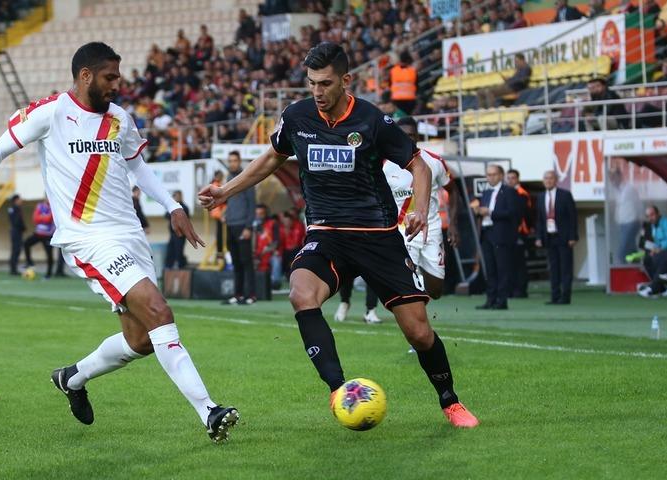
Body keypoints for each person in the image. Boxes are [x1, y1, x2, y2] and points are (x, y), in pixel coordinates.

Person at [0, 42, 238, 442]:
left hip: (130, 235)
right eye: (110, 77)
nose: (117, 85)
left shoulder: (119, 118)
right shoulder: (50, 113)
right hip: (88, 240)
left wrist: (173, 206)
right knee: (159, 311)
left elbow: (138, 166)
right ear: (85, 75)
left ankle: (72, 378)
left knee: (140, 340)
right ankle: (210, 411)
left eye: (117, 77)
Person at [198, 42, 478, 428]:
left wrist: (417, 208)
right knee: (301, 293)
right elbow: (271, 158)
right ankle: (338, 390)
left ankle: (450, 402)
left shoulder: (372, 120)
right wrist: (225, 191)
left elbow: (419, 166)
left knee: (419, 331)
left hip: (378, 236)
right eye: (311, 83)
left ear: (346, 81)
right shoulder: (296, 117)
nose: (317, 91)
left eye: (325, 83)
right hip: (327, 233)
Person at [387, 116, 460, 300]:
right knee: (408, 286)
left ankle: (418, 293)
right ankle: (416, 319)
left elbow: (453, 189)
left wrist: (453, 224)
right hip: (402, 232)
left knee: (435, 290)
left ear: (417, 136)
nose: (408, 140)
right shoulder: (385, 165)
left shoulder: (434, 161)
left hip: (432, 229)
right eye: (403, 136)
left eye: (411, 135)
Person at [473, 164, 521, 310]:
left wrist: (490, 212)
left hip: (501, 234)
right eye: (488, 175)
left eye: (493, 174)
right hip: (486, 233)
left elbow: (513, 213)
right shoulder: (486, 192)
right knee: (490, 269)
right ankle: (490, 299)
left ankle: (502, 300)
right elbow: (483, 212)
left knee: (502, 269)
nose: (490, 177)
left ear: (501, 175)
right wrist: (478, 211)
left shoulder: (509, 191)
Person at [535, 171, 578, 305]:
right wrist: (538, 237)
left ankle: (565, 297)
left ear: (556, 180)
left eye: (551, 178)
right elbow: (539, 219)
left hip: (564, 236)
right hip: (549, 236)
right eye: (545, 178)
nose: (548, 181)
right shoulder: (541, 197)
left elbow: (572, 217)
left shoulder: (565, 195)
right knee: (553, 268)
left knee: (565, 267)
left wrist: (572, 236)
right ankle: (555, 296)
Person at [222, 150, 257, 305]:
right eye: (230, 161)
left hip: (243, 225)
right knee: (236, 262)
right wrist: (226, 214)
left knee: (246, 262)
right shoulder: (228, 178)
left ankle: (251, 295)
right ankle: (238, 294)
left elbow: (251, 205)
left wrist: (249, 227)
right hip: (231, 225)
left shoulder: (246, 179)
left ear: (239, 161)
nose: (232, 163)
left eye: (234, 160)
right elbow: (230, 202)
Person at [638, 206, 667, 297]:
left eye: (652, 215)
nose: (650, 218)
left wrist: (659, 249)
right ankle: (662, 287)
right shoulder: (653, 226)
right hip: (664, 250)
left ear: (658, 214)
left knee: (660, 258)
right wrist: (654, 249)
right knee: (648, 259)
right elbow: (657, 242)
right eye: (648, 216)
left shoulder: (666, 222)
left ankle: (654, 287)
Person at [506, 169, 532, 298]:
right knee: (510, 262)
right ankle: (511, 289)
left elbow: (521, 214)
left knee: (519, 263)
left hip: (519, 232)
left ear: (518, 179)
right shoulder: (508, 192)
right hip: (509, 233)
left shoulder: (521, 193)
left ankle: (521, 290)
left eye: (513, 178)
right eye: (508, 178)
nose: (510, 180)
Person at [611, 169, 641, 263]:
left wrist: (639, 219)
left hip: (632, 221)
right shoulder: (615, 190)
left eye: (614, 178)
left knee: (623, 250)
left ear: (619, 177)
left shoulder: (629, 189)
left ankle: (622, 267)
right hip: (622, 223)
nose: (612, 180)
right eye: (611, 178)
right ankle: (638, 265)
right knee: (631, 247)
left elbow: (638, 204)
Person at [24, 198, 56, 279]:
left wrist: (41, 217)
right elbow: (35, 219)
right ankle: (30, 262)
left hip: (48, 235)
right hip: (38, 233)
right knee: (26, 243)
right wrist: (44, 218)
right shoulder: (40, 206)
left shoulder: (54, 206)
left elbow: (49, 219)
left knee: (49, 255)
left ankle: (48, 274)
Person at [253, 203, 281, 289]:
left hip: (270, 253)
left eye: (261, 214)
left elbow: (276, 242)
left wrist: (268, 249)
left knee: (276, 260)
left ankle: (275, 284)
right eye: (257, 214)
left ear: (266, 214)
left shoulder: (273, 223)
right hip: (257, 254)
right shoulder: (253, 225)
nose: (259, 216)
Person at [164, 190, 189, 269]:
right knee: (170, 250)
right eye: (175, 196)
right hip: (173, 233)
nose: (176, 197)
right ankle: (169, 267)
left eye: (178, 196)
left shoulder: (184, 207)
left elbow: (185, 219)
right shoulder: (172, 206)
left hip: (180, 234)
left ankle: (181, 266)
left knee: (179, 251)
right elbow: (166, 215)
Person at [389, 50, 417, 115]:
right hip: (410, 98)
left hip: (397, 99)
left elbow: (390, 83)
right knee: (408, 116)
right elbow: (416, 84)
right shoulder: (412, 70)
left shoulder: (394, 70)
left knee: (399, 116)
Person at [7, 194, 25, 275]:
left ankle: (13, 268)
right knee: (16, 250)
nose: (21, 201)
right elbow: (16, 221)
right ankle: (13, 269)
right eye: (19, 199)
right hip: (16, 232)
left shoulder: (15, 209)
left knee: (16, 250)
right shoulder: (14, 209)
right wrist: (23, 227)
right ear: (16, 200)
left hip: (16, 231)